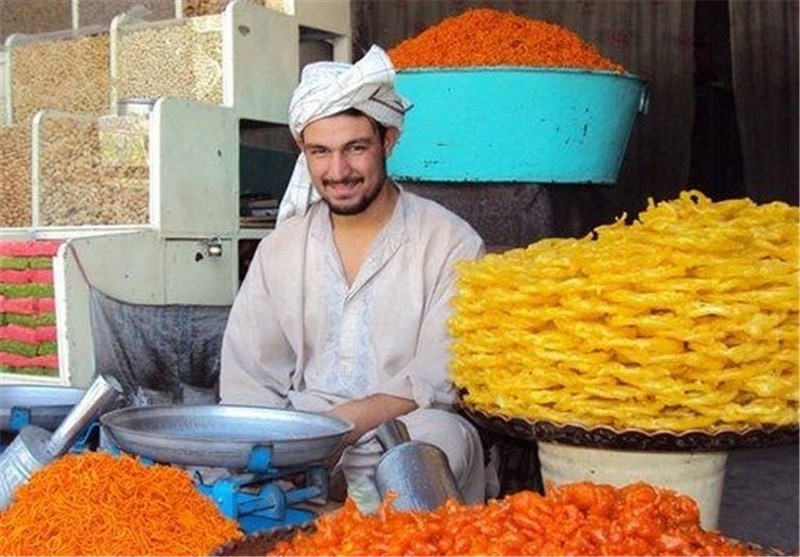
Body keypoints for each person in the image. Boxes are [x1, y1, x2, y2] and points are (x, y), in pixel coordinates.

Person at [219, 45, 492, 513]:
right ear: (303, 152)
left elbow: (439, 378)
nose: (338, 171)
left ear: (388, 140)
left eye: (356, 148)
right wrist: (287, 445)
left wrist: (342, 427)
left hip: (403, 431)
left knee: (435, 443)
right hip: (303, 439)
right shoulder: (281, 249)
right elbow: (249, 378)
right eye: (320, 152)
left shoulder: (449, 242)